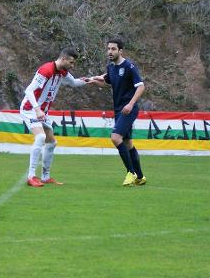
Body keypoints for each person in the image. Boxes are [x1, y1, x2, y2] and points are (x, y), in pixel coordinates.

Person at [21, 47, 89, 187]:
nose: (72, 65)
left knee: (52, 143)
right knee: (40, 137)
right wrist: (37, 109)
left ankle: (45, 177)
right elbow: (28, 90)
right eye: (71, 62)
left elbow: (75, 82)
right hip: (30, 109)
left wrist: (93, 79)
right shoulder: (47, 70)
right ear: (63, 59)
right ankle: (31, 176)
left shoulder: (63, 72)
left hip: (42, 112)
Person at [87, 39, 147, 186]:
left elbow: (141, 87)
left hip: (128, 110)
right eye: (108, 49)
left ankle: (131, 173)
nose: (110, 51)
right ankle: (140, 176)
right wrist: (93, 81)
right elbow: (107, 83)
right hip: (118, 110)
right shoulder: (111, 67)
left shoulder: (129, 66)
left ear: (120, 51)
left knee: (115, 137)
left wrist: (131, 104)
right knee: (127, 143)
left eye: (113, 49)